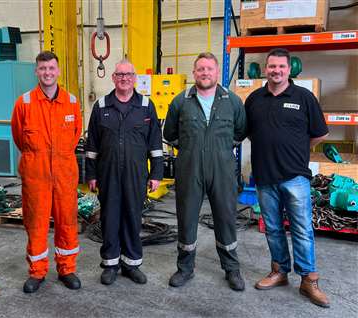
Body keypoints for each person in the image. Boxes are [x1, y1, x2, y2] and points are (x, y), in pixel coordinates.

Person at [245, 48, 330, 307]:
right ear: (265, 69)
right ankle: (280, 271)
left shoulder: (304, 97)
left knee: (302, 229)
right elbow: (250, 133)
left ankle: (308, 280)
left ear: (289, 69)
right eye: (272, 66)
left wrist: (296, 151)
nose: (276, 71)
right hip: (264, 176)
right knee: (272, 229)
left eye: (281, 66)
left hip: (295, 177)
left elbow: (319, 134)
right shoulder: (254, 99)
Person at [163, 52, 247, 291]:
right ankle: (184, 269)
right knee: (187, 219)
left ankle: (232, 269)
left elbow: (240, 131)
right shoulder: (181, 101)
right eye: (200, 69)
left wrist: (217, 148)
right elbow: (170, 134)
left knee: (226, 218)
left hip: (222, 169)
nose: (205, 73)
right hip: (190, 169)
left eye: (209, 69)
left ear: (217, 72)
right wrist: (193, 148)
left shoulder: (232, 101)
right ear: (194, 73)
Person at [85, 60, 163, 285]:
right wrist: (91, 175)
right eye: (120, 74)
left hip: (136, 175)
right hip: (107, 174)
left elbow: (155, 144)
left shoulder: (147, 106)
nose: (124, 78)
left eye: (128, 74)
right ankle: (110, 264)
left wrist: (156, 174)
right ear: (113, 77)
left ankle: (131, 264)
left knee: (132, 217)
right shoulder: (101, 107)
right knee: (110, 218)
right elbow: (92, 146)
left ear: (135, 78)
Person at [11, 51, 83, 293]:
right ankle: (37, 271)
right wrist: (38, 158)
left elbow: (75, 137)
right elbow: (19, 137)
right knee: (36, 223)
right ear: (36, 71)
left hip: (64, 174)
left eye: (52, 68)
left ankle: (67, 268)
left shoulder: (72, 102)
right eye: (43, 69)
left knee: (67, 222)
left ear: (58, 71)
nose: (47, 73)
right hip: (36, 175)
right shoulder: (25, 103)